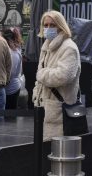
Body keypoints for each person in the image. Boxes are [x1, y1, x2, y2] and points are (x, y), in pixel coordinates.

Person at [32, 11, 81, 140]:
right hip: (43, 107)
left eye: (52, 25)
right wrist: (35, 94)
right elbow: (40, 77)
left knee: (56, 151)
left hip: (59, 110)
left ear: (60, 26)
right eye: (45, 25)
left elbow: (64, 76)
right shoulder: (46, 46)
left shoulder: (68, 47)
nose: (48, 28)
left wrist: (41, 74)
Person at [1, 28, 24, 111]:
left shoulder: (11, 52)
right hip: (12, 86)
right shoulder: (15, 49)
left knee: (9, 116)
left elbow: (10, 73)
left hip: (10, 89)